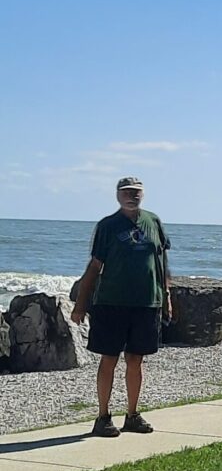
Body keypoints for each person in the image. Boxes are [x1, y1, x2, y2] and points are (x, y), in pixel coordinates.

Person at [71, 176, 172, 437]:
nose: (132, 196)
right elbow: (94, 266)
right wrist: (81, 303)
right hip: (111, 302)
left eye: (136, 192)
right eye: (126, 192)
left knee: (136, 359)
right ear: (117, 195)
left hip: (146, 302)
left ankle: (132, 414)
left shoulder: (153, 221)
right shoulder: (107, 226)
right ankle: (103, 416)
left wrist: (167, 297)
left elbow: (162, 261)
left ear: (143, 194)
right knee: (109, 359)